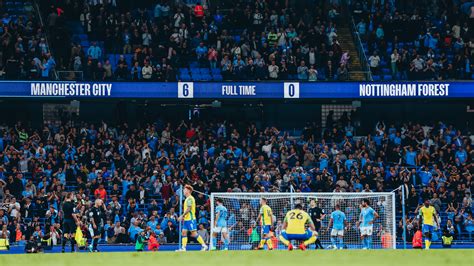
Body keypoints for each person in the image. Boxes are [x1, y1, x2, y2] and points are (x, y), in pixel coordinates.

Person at [177, 185, 208, 251]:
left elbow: (189, 209)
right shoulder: (187, 198)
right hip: (186, 219)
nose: (183, 191)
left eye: (184, 189)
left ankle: (204, 245)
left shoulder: (190, 198)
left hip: (190, 219)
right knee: (183, 232)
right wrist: (184, 217)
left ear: (188, 191)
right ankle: (183, 248)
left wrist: (182, 215)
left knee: (194, 233)